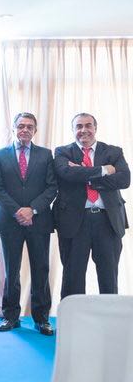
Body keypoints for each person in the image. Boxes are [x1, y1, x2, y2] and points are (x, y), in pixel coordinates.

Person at [53, 113, 130, 298]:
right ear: (73, 130)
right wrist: (104, 170)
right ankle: (73, 316)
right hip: (74, 222)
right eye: (79, 126)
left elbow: (124, 179)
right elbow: (67, 174)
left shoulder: (113, 152)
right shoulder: (62, 152)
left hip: (107, 221)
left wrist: (83, 174)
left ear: (95, 128)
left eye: (88, 125)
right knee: (73, 277)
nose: (84, 130)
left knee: (109, 277)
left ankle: (108, 316)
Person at [0, 112, 57, 336]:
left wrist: (32, 209)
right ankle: (11, 316)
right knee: (11, 271)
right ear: (14, 128)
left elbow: (52, 187)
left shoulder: (46, 155)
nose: (25, 130)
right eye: (21, 126)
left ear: (35, 130)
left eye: (30, 126)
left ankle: (41, 318)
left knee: (41, 269)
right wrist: (17, 211)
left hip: (39, 221)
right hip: (9, 221)